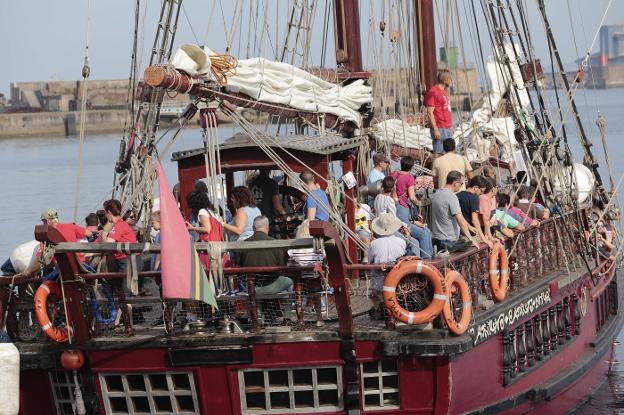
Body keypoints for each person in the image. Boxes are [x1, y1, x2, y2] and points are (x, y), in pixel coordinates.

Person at [239, 216, 293, 323]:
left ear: (254, 228)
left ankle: (256, 314)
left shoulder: (243, 244)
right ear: (267, 227)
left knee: (251, 282)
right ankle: (287, 316)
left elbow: (240, 265)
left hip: (251, 287)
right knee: (290, 282)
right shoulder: (275, 242)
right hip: (272, 285)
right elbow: (281, 266)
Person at [367, 213, 407, 320]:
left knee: (373, 295)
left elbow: (370, 262)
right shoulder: (402, 242)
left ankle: (381, 308)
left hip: (380, 282)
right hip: (399, 281)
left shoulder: (374, 244)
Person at [431, 171, 480, 253]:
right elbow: (460, 219)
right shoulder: (452, 197)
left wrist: (469, 226)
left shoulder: (437, 193)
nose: (462, 186)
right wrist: (472, 240)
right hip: (449, 241)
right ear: (455, 183)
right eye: (461, 184)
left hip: (437, 238)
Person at [100, 199, 138, 272]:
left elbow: (107, 245)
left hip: (129, 260)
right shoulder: (120, 223)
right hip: (127, 259)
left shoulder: (119, 225)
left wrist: (105, 232)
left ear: (109, 212)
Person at [456, 176, 492, 248]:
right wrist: (484, 239)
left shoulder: (457, 195)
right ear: (475, 187)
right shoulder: (474, 198)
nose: (481, 194)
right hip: (469, 234)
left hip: (457, 232)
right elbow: (474, 220)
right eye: (481, 191)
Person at [426, 69, 453, 157]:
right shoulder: (434, 91)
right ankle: (436, 170)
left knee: (449, 152)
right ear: (445, 80)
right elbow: (430, 112)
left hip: (447, 127)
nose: (451, 81)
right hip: (439, 127)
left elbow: (447, 109)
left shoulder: (445, 92)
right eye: (450, 78)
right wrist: (435, 129)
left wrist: (450, 126)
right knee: (439, 152)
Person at [391, 156, 418, 224]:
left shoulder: (393, 174)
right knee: (405, 228)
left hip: (391, 203)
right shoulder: (410, 178)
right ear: (411, 167)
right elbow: (412, 197)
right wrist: (417, 203)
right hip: (401, 206)